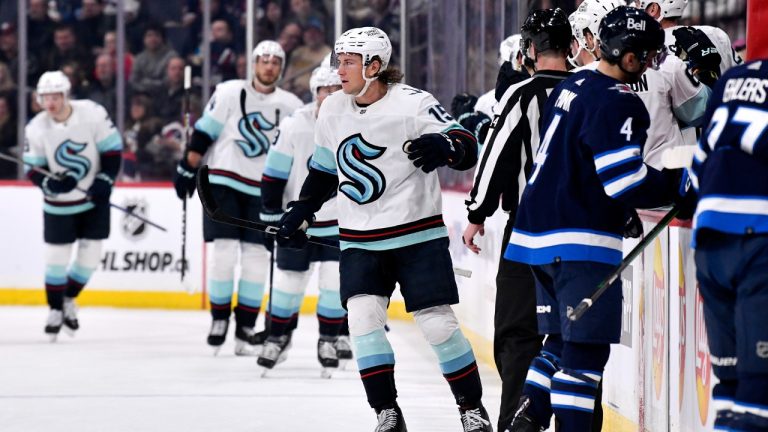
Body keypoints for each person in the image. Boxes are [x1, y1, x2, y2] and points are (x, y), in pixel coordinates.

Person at [275, 27, 492, 432]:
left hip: (417, 236)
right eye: (338, 60)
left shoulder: (413, 103)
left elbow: (465, 142)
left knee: (437, 324)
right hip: (360, 239)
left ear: (374, 66)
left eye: (348, 61)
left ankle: (471, 408)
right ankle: (386, 412)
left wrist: (447, 148)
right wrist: (302, 209)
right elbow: (323, 171)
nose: (338, 69)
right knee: (362, 321)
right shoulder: (333, 110)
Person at [504, 7, 681, 432]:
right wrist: (681, 184)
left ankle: (525, 421)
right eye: (650, 56)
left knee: (559, 341)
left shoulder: (572, 84)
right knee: (585, 352)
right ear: (631, 57)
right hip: (578, 241)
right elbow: (624, 182)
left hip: (534, 238)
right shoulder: (618, 100)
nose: (652, 65)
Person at [462, 9, 572, 431]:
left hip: (529, 232)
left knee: (516, 333)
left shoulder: (522, 94)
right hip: (584, 234)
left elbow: (496, 159)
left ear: (529, 49)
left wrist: (476, 212)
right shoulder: (591, 90)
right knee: (576, 339)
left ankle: (517, 421)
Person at [173, 40, 303, 356]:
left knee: (257, 262)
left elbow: (298, 151)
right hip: (224, 182)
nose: (269, 66)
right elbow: (204, 132)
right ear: (254, 64)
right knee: (224, 255)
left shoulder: (291, 105)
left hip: (264, 191)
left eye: (275, 61)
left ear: (281, 68)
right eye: (264, 60)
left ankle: (245, 324)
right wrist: (187, 167)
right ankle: (219, 319)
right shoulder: (230, 92)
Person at [689, 59, 768, 431]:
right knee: (759, 387)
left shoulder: (734, 78)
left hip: (709, 239)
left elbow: (694, 171)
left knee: (731, 382)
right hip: (759, 240)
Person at [257, 62, 349, 375]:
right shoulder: (295, 124)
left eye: (337, 88)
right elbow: (274, 172)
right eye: (325, 89)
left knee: (334, 283)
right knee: (287, 283)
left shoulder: (357, 121)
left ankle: (329, 339)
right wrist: (270, 210)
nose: (331, 94)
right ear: (314, 92)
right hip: (299, 219)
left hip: (341, 221)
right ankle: (278, 336)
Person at [22, 70, 122, 341]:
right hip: (58, 206)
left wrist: (104, 180)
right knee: (56, 259)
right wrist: (50, 185)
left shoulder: (91, 113)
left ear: (66, 95)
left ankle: (68, 298)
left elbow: (112, 150)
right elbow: (33, 169)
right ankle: (55, 309)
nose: (51, 103)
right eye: (45, 98)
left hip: (92, 200)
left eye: (55, 96)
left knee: (90, 259)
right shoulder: (36, 127)